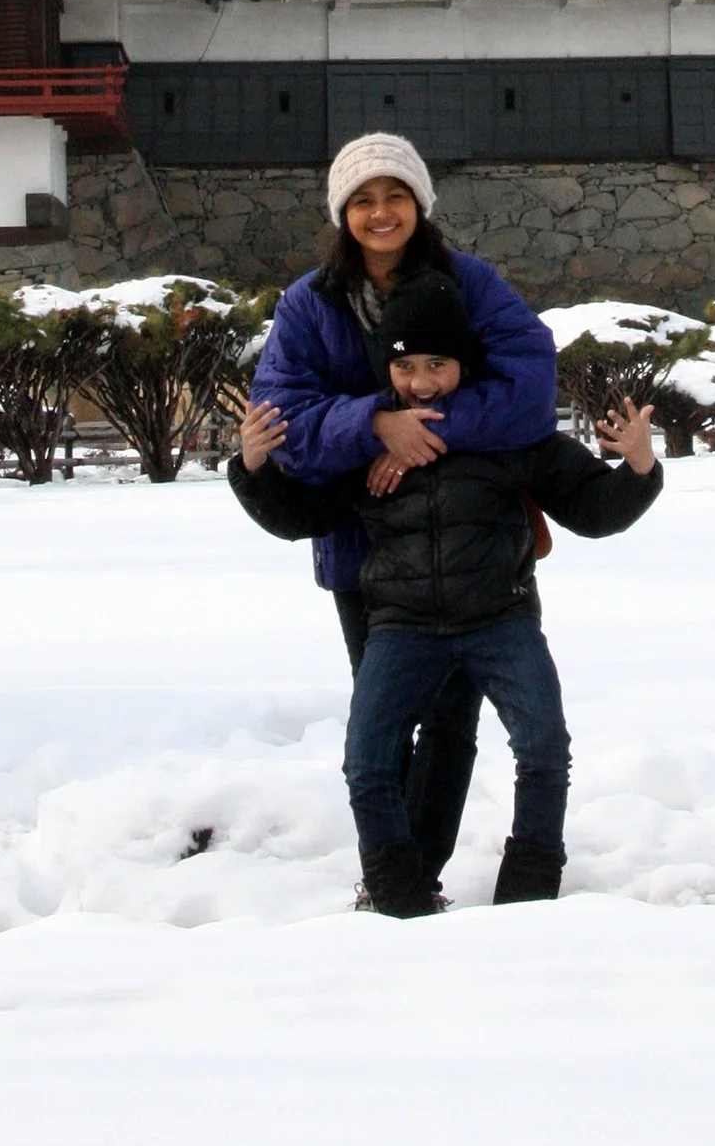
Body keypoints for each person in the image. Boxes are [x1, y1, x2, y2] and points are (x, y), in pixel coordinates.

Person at [235, 266, 662, 913]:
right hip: (401, 627)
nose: (423, 381)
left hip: (502, 620)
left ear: (463, 363)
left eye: (439, 363)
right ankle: (396, 890)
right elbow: (303, 516)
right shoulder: (371, 442)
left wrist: (637, 465)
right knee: (367, 759)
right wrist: (253, 465)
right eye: (407, 367)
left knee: (544, 747)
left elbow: (593, 508)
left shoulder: (507, 435)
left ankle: (530, 887)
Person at [240, 132, 562, 884]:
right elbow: (282, 413)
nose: (380, 213)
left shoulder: (470, 282)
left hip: (473, 541)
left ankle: (414, 873)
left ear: (419, 203)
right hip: (365, 543)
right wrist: (374, 424)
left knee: (453, 719)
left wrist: (425, 433)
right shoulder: (309, 303)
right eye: (362, 199)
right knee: (382, 723)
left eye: (395, 196)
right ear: (341, 212)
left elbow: (530, 385)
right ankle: (395, 871)